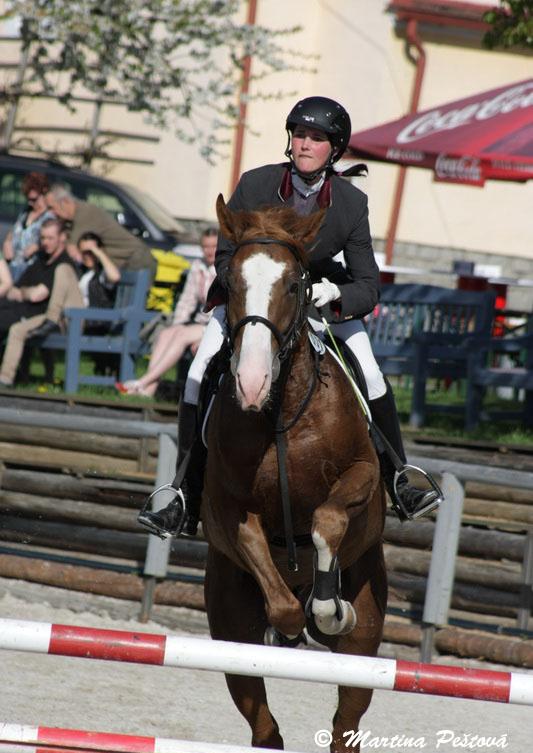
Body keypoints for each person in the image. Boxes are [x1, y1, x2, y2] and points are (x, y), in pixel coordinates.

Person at [140, 96, 441, 538]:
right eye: (300, 135)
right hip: (255, 303)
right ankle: (184, 493)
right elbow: (225, 256)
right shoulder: (256, 184)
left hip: (319, 303)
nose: (304, 144)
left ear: (334, 149)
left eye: (316, 138)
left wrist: (333, 293)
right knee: (197, 373)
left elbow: (368, 285)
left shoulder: (350, 203)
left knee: (372, 375)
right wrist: (250, 287)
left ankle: (399, 478)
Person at [116, 228, 217, 397]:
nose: (210, 251)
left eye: (214, 246)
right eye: (206, 246)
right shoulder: (198, 266)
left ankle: (141, 383)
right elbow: (187, 300)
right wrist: (178, 323)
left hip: (215, 324)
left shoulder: (223, 268)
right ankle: (148, 390)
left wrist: (187, 330)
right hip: (199, 322)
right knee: (166, 334)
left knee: (181, 335)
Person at [0, 218, 76, 386]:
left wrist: (24, 293)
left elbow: (38, 295)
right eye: (42, 238)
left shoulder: (63, 265)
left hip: (49, 317)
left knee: (15, 329)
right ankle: (22, 374)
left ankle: (5, 378)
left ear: (62, 237)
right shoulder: (41, 259)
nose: (45, 242)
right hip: (23, 310)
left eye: (50, 238)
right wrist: (26, 293)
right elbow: (14, 290)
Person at [26, 231, 121, 342]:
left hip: (91, 323)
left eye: (90, 252)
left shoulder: (102, 275)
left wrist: (97, 252)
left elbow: (115, 277)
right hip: (68, 317)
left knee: (63, 269)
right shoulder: (79, 271)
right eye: (84, 252)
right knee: (19, 329)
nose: (87, 256)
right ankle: (50, 321)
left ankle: (52, 320)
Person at [45, 183, 157, 276]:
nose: (50, 213)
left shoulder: (85, 214)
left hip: (137, 260)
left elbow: (72, 252)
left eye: (52, 208)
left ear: (65, 201)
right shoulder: (70, 220)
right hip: (124, 263)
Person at [2, 172, 55, 272]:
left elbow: (52, 243)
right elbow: (14, 231)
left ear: (44, 194)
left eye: (34, 199)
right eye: (28, 199)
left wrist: (37, 247)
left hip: (31, 269)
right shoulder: (25, 213)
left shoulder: (49, 217)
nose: (30, 203)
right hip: (12, 265)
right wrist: (7, 242)